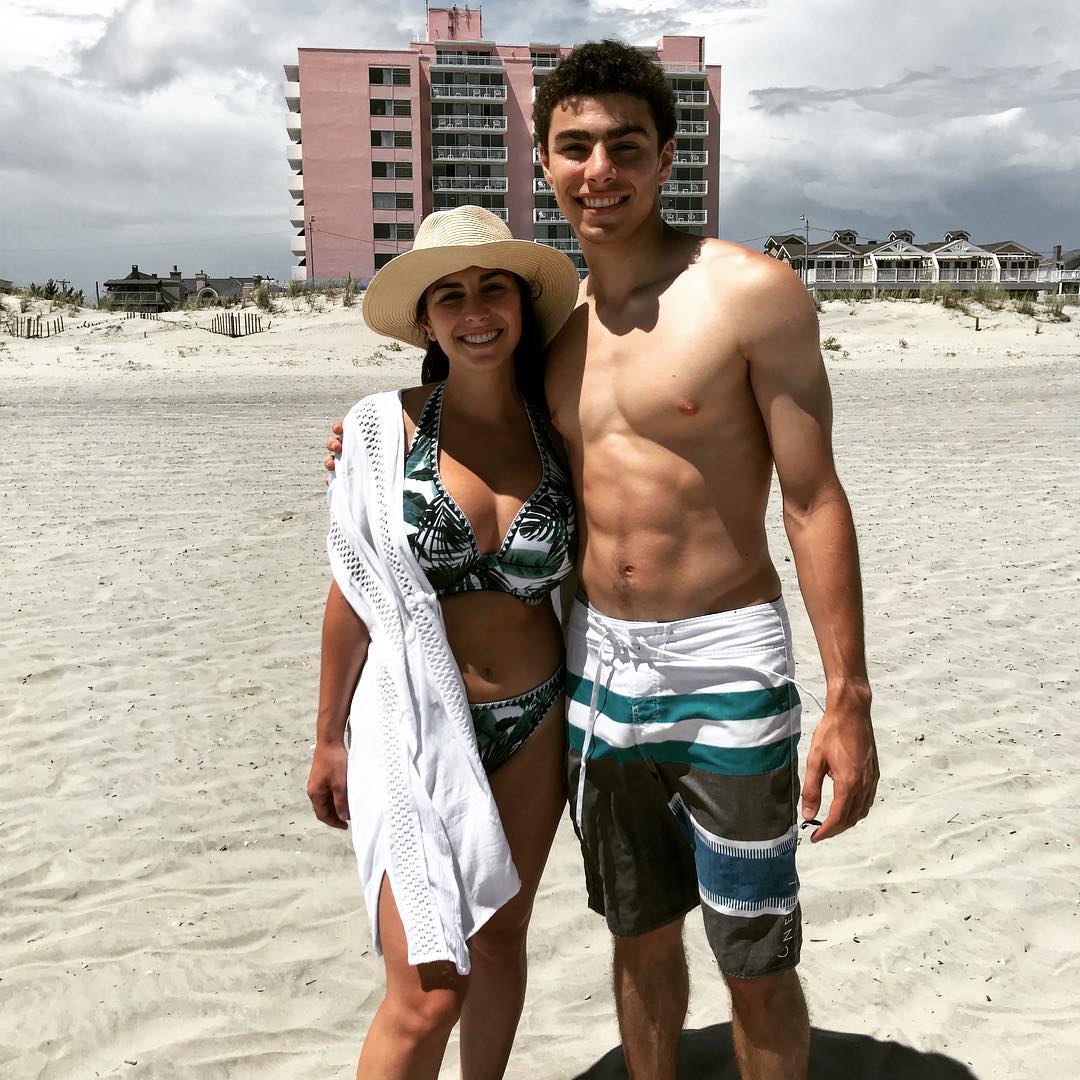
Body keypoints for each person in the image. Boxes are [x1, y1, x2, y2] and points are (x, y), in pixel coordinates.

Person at [327, 40, 879, 1080]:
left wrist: (847, 697)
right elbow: (454, 411)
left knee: (754, 952)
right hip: (595, 670)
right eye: (574, 147)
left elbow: (812, 499)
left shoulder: (748, 292)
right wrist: (368, 434)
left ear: (668, 155)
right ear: (544, 163)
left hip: (727, 661)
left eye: (625, 145)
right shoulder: (550, 333)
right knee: (638, 932)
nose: (599, 170)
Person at [308, 204, 581, 1080]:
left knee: (500, 945)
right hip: (408, 726)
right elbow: (351, 593)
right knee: (427, 991)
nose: (475, 310)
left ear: (521, 305)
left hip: (535, 723)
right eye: (451, 294)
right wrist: (326, 737)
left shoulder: (561, 429)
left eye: (492, 288)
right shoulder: (381, 431)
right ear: (426, 320)